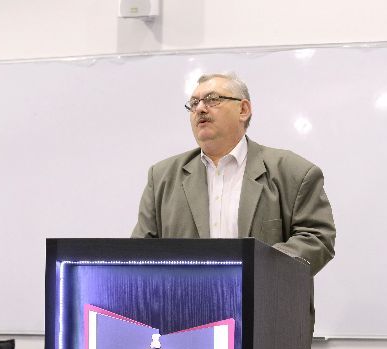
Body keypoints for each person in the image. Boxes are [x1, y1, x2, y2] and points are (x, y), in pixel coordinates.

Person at [132, 72, 335, 276]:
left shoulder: (293, 172)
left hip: (262, 295)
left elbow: (317, 238)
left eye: (212, 99)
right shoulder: (162, 177)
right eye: (193, 103)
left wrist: (252, 271)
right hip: (184, 296)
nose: (200, 108)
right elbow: (138, 254)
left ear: (243, 110)